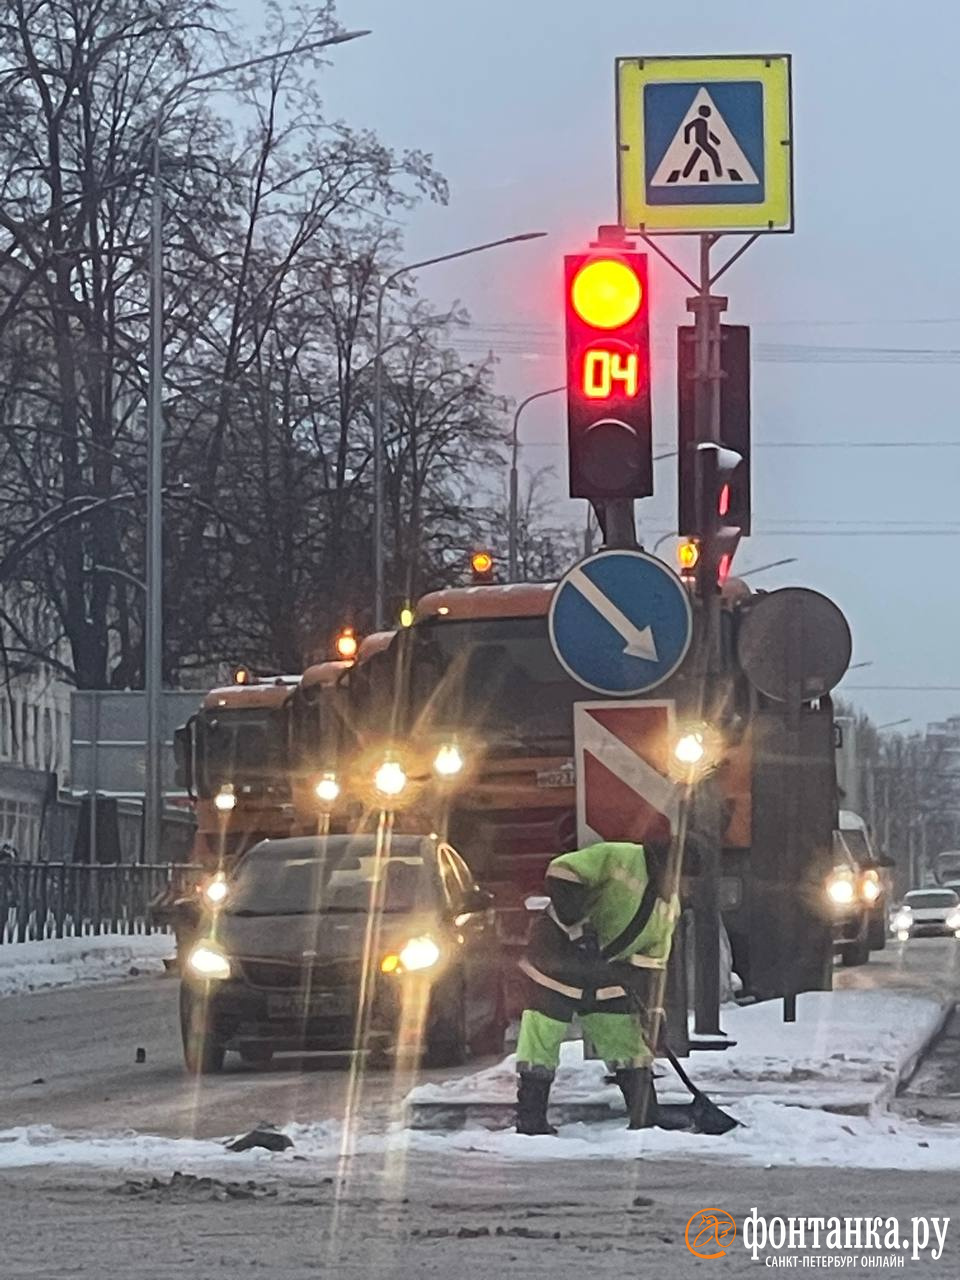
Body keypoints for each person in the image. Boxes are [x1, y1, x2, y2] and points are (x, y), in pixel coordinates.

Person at [515, 839, 682, 1136]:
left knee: (627, 1042)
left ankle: (646, 1116)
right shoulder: (619, 857)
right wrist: (579, 927)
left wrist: (654, 1012)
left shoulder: (668, 910)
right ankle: (531, 1120)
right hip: (556, 960)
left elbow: (653, 965)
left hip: (604, 974)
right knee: (541, 1041)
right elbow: (562, 872)